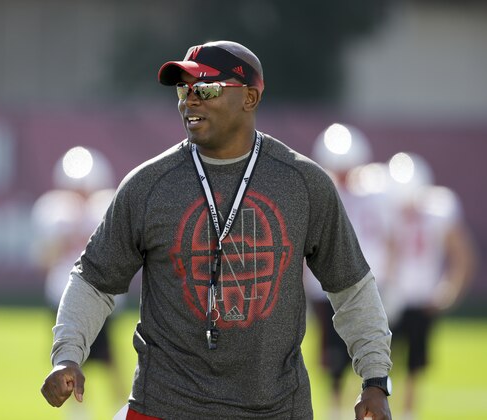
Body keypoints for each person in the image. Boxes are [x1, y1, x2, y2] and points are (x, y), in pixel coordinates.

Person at [40, 40, 392, 420]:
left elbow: (351, 287)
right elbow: (93, 280)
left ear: (250, 97)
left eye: (205, 89)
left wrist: (375, 379)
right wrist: (68, 354)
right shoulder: (148, 184)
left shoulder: (303, 183)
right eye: (184, 89)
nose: (190, 101)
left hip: (275, 410)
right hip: (164, 406)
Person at [307, 123, 396, 419]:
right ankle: (336, 408)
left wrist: (393, 279)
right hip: (325, 285)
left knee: (371, 344)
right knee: (331, 356)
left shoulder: (376, 194)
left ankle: (364, 398)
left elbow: (391, 239)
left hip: (365, 281)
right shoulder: (320, 192)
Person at [31, 146, 127, 419]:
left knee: (110, 359)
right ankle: (76, 413)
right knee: (67, 359)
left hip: (100, 297)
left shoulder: (107, 209)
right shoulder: (54, 214)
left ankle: (119, 409)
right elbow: (43, 259)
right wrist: (65, 238)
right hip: (63, 294)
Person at [384, 152, 477, 420]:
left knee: (414, 366)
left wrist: (447, 291)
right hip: (392, 296)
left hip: (422, 300)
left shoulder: (439, 209)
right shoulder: (387, 208)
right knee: (378, 362)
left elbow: (463, 255)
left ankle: (407, 414)